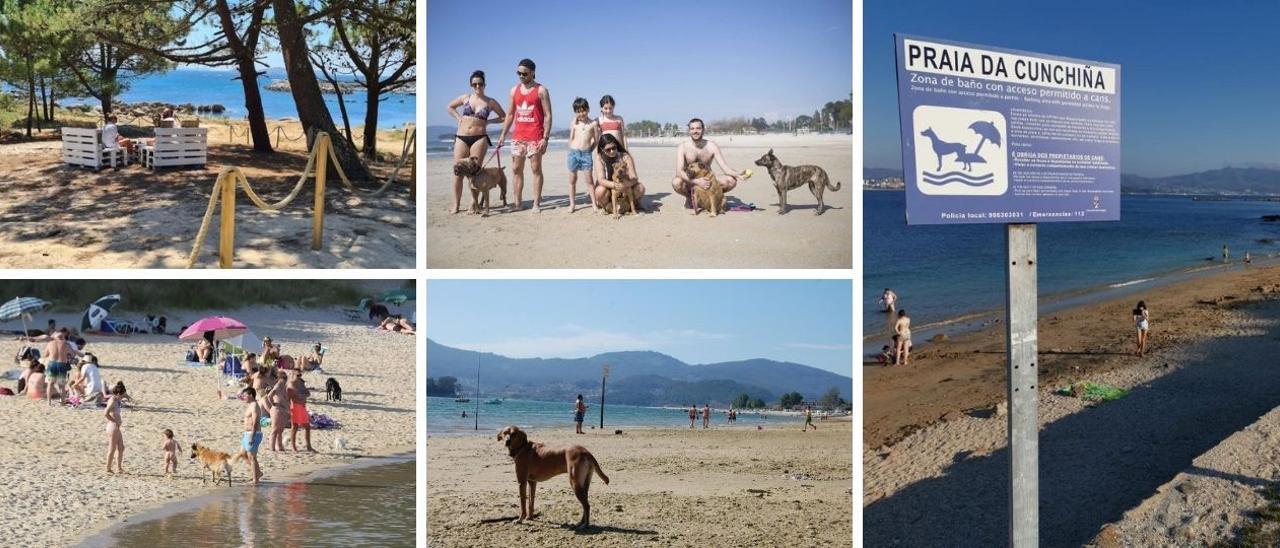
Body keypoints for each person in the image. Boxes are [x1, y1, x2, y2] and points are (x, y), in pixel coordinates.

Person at [496, 58, 553, 212]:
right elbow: (509, 115)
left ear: (533, 72)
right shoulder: (513, 91)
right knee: (516, 169)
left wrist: (545, 138)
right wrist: (502, 135)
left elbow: (548, 115)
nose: (521, 75)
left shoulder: (541, 90)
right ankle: (517, 204)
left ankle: (536, 204)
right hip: (517, 137)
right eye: (518, 73)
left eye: (524, 73)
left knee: (536, 170)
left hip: (535, 136)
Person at [446, 70, 506, 214]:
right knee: (458, 172)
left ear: (484, 84)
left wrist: (489, 121)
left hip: (479, 138)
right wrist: (458, 118)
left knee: (476, 173)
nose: (477, 87)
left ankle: (473, 205)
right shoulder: (465, 98)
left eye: (480, 84)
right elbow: (449, 107)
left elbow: (504, 117)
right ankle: (456, 204)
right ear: (471, 85)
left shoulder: (490, 102)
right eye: (474, 84)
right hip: (461, 137)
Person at [670, 118, 747, 212]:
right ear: (689, 130)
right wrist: (696, 181)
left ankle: (713, 198)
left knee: (731, 181)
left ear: (703, 129)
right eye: (692, 128)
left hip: (708, 181)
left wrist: (738, 174)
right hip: (690, 181)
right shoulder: (683, 147)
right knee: (676, 182)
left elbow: (725, 168)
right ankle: (691, 198)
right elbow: (679, 171)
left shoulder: (712, 146)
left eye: (698, 128)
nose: (695, 131)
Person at [592, 134, 646, 211]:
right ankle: (609, 206)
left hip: (625, 186)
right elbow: (601, 180)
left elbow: (634, 177)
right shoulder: (600, 158)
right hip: (609, 188)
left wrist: (627, 184)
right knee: (599, 191)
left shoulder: (625, 156)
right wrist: (615, 185)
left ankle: (630, 205)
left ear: (616, 145)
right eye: (608, 149)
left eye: (614, 148)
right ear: (602, 149)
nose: (612, 151)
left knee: (640, 188)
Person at [566, 98, 599, 212]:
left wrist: (590, 150)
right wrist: (570, 149)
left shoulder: (593, 124)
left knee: (589, 180)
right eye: (578, 111)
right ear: (575, 112)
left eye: (583, 110)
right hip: (573, 153)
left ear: (588, 109)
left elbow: (596, 140)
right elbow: (571, 138)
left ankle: (594, 204)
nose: (581, 113)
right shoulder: (574, 123)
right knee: (572, 180)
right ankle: (572, 204)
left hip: (586, 154)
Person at [44, 331, 79, 405]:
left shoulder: (50, 343)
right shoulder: (66, 344)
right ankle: (62, 402)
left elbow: (45, 354)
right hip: (62, 364)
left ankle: (49, 402)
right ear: (62, 337)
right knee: (62, 385)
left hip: (52, 364)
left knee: (50, 384)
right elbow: (72, 354)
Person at [239, 387, 264, 485]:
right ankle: (258, 473)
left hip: (254, 434)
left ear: (251, 395)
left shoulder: (254, 406)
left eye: (244, 396)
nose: (243, 397)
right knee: (242, 453)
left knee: (251, 457)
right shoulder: (250, 405)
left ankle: (255, 480)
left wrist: (252, 436)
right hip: (247, 434)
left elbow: (255, 422)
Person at [287, 369, 315, 452]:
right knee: (294, 427)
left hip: (302, 406)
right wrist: (301, 395)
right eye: (297, 375)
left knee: (307, 427)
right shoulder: (291, 384)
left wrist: (301, 395)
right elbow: (292, 396)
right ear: (292, 374)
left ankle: (308, 446)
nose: (299, 377)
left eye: (300, 375)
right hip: (294, 406)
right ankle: (293, 446)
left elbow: (307, 393)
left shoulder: (300, 382)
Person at [266, 369, 291, 452]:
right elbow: (269, 395)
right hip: (277, 408)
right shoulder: (278, 386)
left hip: (284, 409)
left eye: (285, 378)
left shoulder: (284, 386)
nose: (284, 380)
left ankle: (279, 447)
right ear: (279, 378)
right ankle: (272, 448)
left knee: (280, 430)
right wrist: (273, 404)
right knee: (275, 430)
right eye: (283, 378)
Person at [104, 383, 127, 473]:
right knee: (112, 449)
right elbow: (105, 413)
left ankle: (119, 468)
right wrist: (114, 421)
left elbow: (123, 392)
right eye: (122, 395)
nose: (123, 397)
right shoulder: (113, 401)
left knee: (121, 447)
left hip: (117, 427)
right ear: (118, 394)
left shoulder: (117, 399)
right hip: (112, 427)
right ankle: (108, 468)